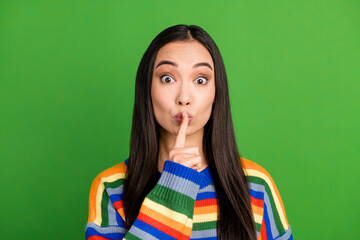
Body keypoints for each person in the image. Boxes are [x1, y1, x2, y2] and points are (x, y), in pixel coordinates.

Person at [85, 24, 293, 240]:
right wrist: (175, 185)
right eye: (167, 78)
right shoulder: (111, 187)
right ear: (147, 89)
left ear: (216, 93)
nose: (184, 97)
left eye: (200, 80)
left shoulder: (256, 185)